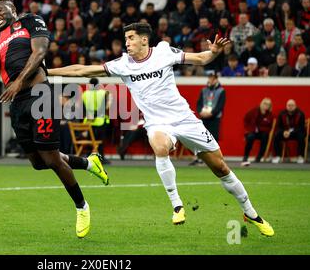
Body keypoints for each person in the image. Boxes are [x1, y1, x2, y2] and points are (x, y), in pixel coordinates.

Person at [48, 23, 274, 237]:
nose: (127, 43)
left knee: (220, 167)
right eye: (125, 38)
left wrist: (213, 52)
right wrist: (47, 71)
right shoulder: (122, 64)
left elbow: (201, 58)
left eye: (131, 38)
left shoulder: (164, 52)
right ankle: (177, 205)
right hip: (157, 123)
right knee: (159, 146)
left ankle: (251, 213)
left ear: (144, 40)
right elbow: (81, 70)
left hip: (185, 119)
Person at [0, 0, 108, 238]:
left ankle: (82, 206)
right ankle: (90, 163)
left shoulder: (30, 22)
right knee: (39, 162)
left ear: (12, 8)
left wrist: (17, 82)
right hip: (17, 102)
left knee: (51, 159)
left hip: (40, 95)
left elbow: (39, 53)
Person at [82, 77, 111, 163]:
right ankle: (101, 157)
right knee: (100, 141)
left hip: (88, 121)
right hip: (100, 120)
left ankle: (88, 157)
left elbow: (83, 109)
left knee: (90, 140)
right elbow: (105, 107)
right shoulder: (104, 93)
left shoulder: (84, 94)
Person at [241, 98, 274, 166]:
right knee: (250, 137)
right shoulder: (254, 111)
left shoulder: (270, 115)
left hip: (263, 132)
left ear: (270, 106)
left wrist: (260, 129)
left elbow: (269, 127)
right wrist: (249, 129)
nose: (266, 106)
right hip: (252, 131)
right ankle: (245, 156)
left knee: (265, 136)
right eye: (265, 104)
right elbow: (246, 119)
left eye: (268, 105)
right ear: (261, 103)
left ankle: (259, 157)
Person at [272, 99, 306, 164]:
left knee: (301, 136)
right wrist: (283, 132)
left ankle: (300, 156)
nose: (290, 107)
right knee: (276, 135)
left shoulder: (300, 113)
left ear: (295, 106)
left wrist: (290, 132)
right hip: (285, 133)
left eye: (292, 105)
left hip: (296, 133)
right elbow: (279, 127)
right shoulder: (282, 114)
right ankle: (277, 156)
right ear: (286, 106)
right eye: (288, 105)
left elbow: (301, 128)